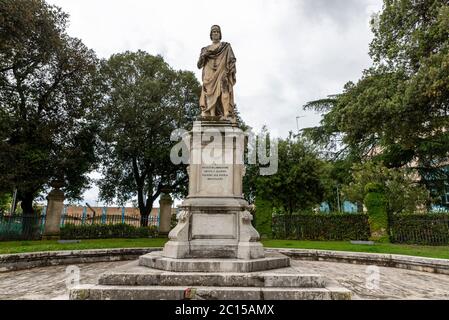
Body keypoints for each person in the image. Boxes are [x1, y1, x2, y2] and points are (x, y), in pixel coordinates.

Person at [197, 25, 236, 120]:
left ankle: (226, 113)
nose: (215, 33)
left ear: (220, 34)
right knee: (209, 92)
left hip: (222, 70)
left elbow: (232, 59)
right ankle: (212, 114)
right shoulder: (205, 49)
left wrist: (230, 69)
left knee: (224, 89)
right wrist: (203, 56)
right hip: (209, 72)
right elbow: (199, 65)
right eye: (213, 32)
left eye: (217, 32)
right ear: (211, 34)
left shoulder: (226, 47)